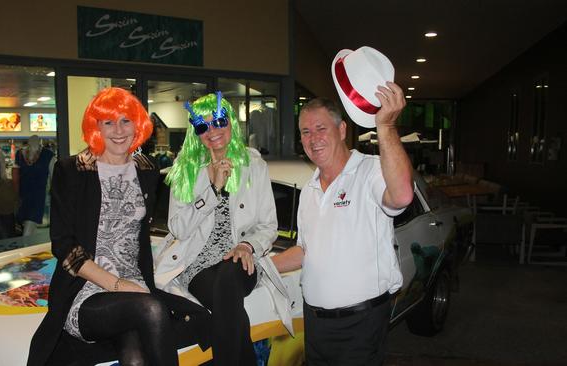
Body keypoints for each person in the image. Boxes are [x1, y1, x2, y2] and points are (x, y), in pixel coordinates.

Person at [28, 87, 208, 366]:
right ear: (95, 126)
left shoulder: (146, 169)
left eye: (126, 120)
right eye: (108, 122)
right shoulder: (73, 169)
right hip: (85, 290)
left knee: (135, 359)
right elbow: (63, 246)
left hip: (134, 286)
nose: (118, 130)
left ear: (138, 124)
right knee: (151, 310)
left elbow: (139, 236)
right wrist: (116, 284)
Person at [271, 87, 413, 363]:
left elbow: (402, 196)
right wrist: (260, 266)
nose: (313, 139)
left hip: (360, 323)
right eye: (305, 132)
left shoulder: (369, 170)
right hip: (315, 323)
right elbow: (305, 250)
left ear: (342, 129)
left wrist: (385, 126)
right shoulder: (309, 189)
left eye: (320, 128)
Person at [155, 91, 291, 365]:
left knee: (228, 277)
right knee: (231, 311)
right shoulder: (185, 171)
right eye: (202, 126)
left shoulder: (254, 165)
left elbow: (268, 226)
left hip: (242, 258)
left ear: (231, 122)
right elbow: (179, 229)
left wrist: (247, 245)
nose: (212, 131)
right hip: (196, 263)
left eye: (219, 120)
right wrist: (212, 188)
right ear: (196, 132)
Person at [12, 135, 55, 236]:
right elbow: (16, 176)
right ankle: (32, 248)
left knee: (28, 228)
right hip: (22, 198)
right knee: (27, 227)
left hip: (38, 198)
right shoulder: (19, 154)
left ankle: (25, 248)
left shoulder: (49, 155)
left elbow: (54, 178)